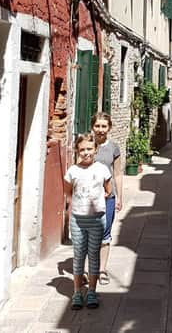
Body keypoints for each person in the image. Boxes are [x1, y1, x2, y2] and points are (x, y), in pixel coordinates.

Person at [63, 133, 111, 309]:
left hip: (97, 219)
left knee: (93, 256)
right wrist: (74, 208)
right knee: (78, 255)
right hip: (78, 220)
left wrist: (98, 204)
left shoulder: (102, 169)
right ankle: (76, 292)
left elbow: (108, 190)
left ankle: (91, 291)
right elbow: (68, 193)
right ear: (77, 150)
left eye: (89, 149)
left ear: (95, 149)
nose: (85, 153)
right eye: (82, 149)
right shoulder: (72, 171)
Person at [91, 112, 123, 286]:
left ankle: (101, 270)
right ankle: (90, 269)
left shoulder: (114, 148)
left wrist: (119, 197)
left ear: (109, 128)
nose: (100, 130)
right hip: (89, 198)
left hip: (108, 197)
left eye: (104, 126)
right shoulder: (86, 145)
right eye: (98, 126)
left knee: (105, 234)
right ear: (92, 127)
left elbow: (117, 173)